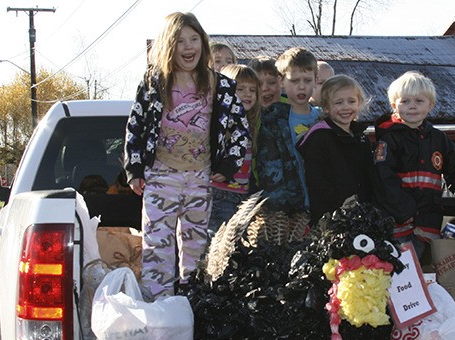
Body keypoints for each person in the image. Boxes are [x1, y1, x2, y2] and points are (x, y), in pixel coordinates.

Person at [123, 12, 251, 298]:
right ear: (169, 46)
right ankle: (159, 304)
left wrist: (229, 164)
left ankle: (192, 300)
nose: (188, 47)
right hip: (161, 174)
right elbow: (136, 125)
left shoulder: (220, 86)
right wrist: (134, 169)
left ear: (203, 44)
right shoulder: (154, 83)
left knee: (196, 245)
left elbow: (240, 130)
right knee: (158, 244)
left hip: (199, 176)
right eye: (180, 41)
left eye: (194, 39)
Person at [372, 70, 455, 259]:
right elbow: (383, 180)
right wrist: (405, 212)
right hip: (396, 224)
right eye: (405, 101)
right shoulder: (388, 140)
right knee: (402, 273)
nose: (412, 107)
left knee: (429, 272)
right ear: (394, 106)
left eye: (419, 101)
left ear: (431, 105)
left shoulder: (440, 140)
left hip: (429, 222)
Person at [297, 74, 375, 226]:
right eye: (338, 103)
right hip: (331, 218)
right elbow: (318, 183)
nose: (346, 107)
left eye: (351, 101)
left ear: (359, 104)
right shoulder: (319, 138)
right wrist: (345, 209)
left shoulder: (361, 137)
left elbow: (369, 177)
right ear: (326, 107)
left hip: (361, 215)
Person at [252, 47, 320, 213]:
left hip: (321, 202)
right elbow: (269, 171)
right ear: (281, 81)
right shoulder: (272, 121)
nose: (302, 87)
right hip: (289, 209)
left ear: (316, 80)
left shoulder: (323, 118)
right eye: (295, 81)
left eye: (307, 80)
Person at [209, 64, 261, 235]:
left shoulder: (252, 123)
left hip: (242, 194)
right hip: (220, 192)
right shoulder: (221, 122)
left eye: (252, 90)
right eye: (241, 89)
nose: (247, 94)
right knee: (217, 239)